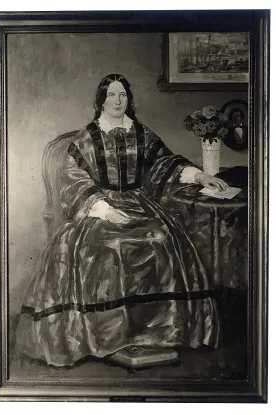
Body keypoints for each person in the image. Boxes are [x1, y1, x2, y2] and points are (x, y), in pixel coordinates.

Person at [15, 74, 229, 367]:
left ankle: (152, 331)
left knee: (162, 237)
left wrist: (201, 175)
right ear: (101, 100)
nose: (117, 101)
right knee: (112, 243)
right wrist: (103, 209)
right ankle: (112, 335)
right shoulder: (87, 138)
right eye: (112, 96)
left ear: (129, 99)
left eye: (123, 96)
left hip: (139, 203)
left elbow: (165, 163)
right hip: (98, 208)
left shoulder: (141, 133)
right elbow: (74, 180)